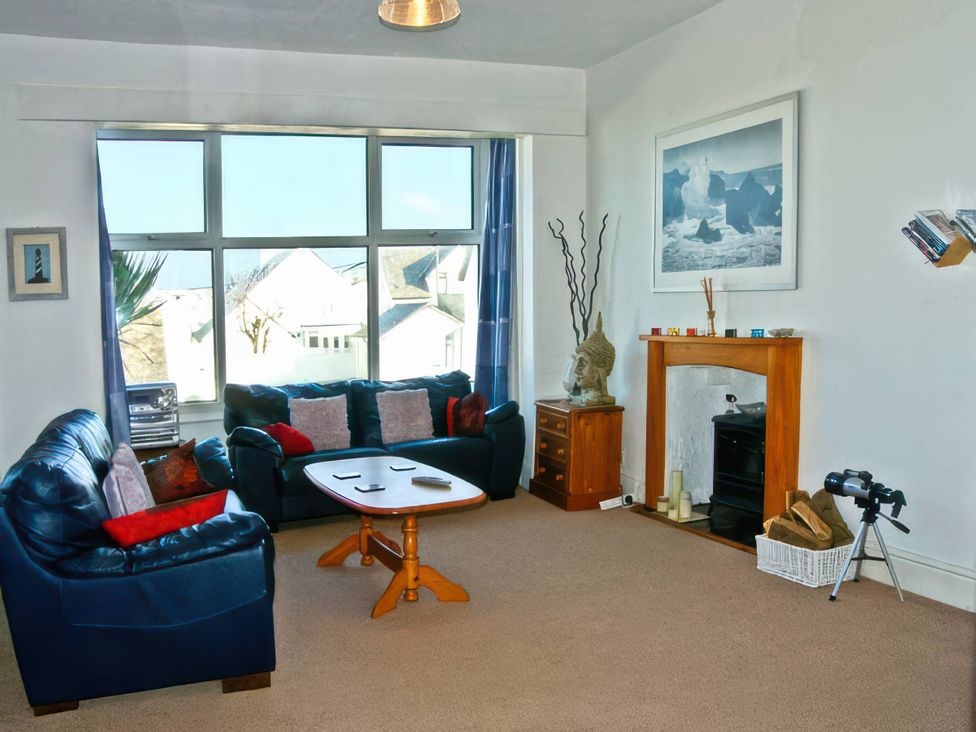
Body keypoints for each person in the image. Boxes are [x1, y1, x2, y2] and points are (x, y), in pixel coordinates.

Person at [572, 312, 615, 406]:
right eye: (577, 362)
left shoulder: (590, 401)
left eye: (582, 363)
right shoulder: (579, 399)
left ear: (597, 373)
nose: (576, 370)